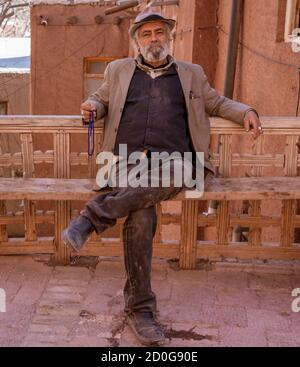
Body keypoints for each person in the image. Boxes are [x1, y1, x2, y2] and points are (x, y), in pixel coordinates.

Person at [63, 11, 262, 346]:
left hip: (177, 162)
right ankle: (140, 309)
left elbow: (216, 102)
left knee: (171, 177)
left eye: (159, 32)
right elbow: (102, 98)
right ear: (136, 40)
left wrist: (247, 112)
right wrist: (91, 106)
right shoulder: (118, 70)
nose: (153, 38)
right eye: (146, 34)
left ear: (169, 37)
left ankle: (93, 216)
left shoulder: (191, 74)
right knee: (140, 215)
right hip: (127, 162)